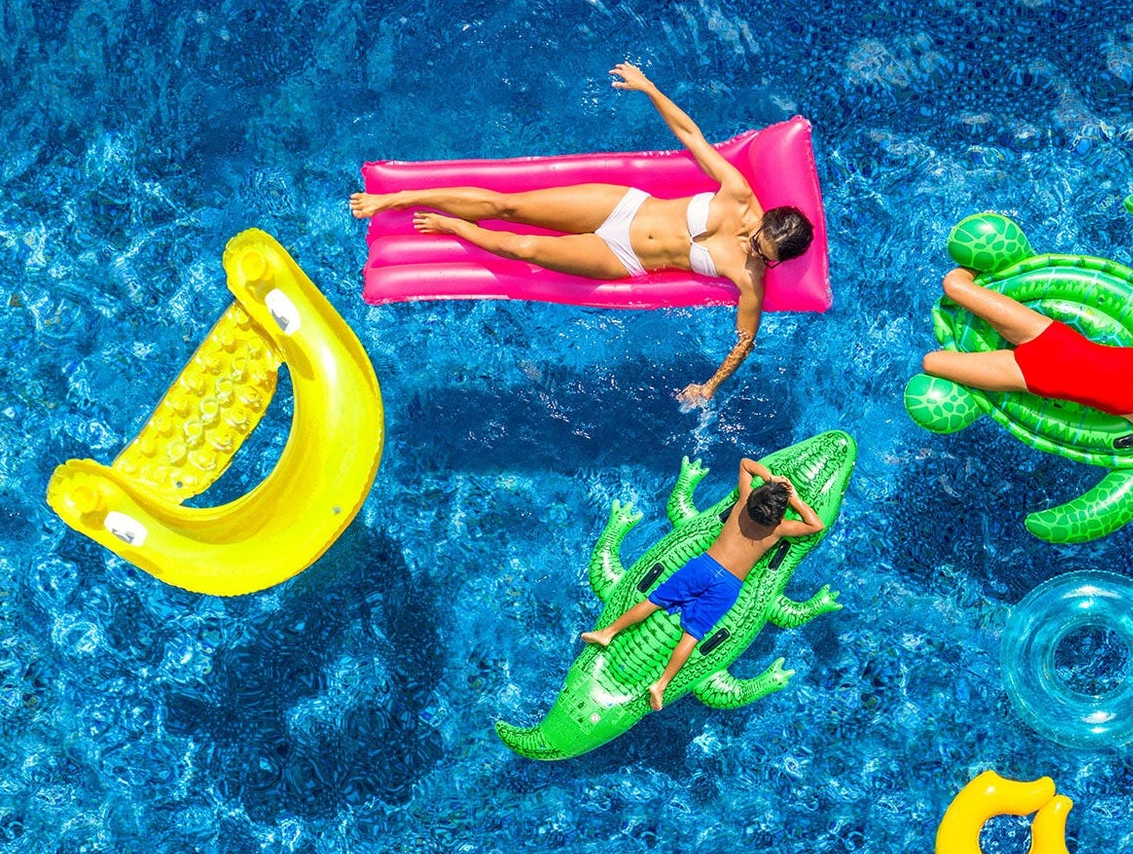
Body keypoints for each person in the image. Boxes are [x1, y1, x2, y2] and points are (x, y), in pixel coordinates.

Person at [349, 63, 814, 404]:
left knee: (525, 248)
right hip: (625, 207)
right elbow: (692, 136)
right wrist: (649, 88)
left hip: (624, 256)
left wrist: (710, 386)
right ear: (766, 219)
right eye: (757, 239)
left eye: (764, 254)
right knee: (509, 205)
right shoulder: (737, 194)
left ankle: (455, 226)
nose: (751, 248)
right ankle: (400, 198)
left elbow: (745, 339)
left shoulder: (751, 276)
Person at [921, 268, 1133, 485]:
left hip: (1025, 375)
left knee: (931, 362)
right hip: (1044, 336)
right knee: (953, 285)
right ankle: (993, 267)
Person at [580, 457, 825, 710]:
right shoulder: (778, 529)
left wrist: (771, 480)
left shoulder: (743, 502)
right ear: (777, 516)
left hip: (703, 567)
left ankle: (607, 633)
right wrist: (794, 498)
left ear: (754, 498)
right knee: (692, 634)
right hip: (728, 586)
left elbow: (745, 464)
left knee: (655, 601)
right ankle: (661, 685)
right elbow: (815, 525)